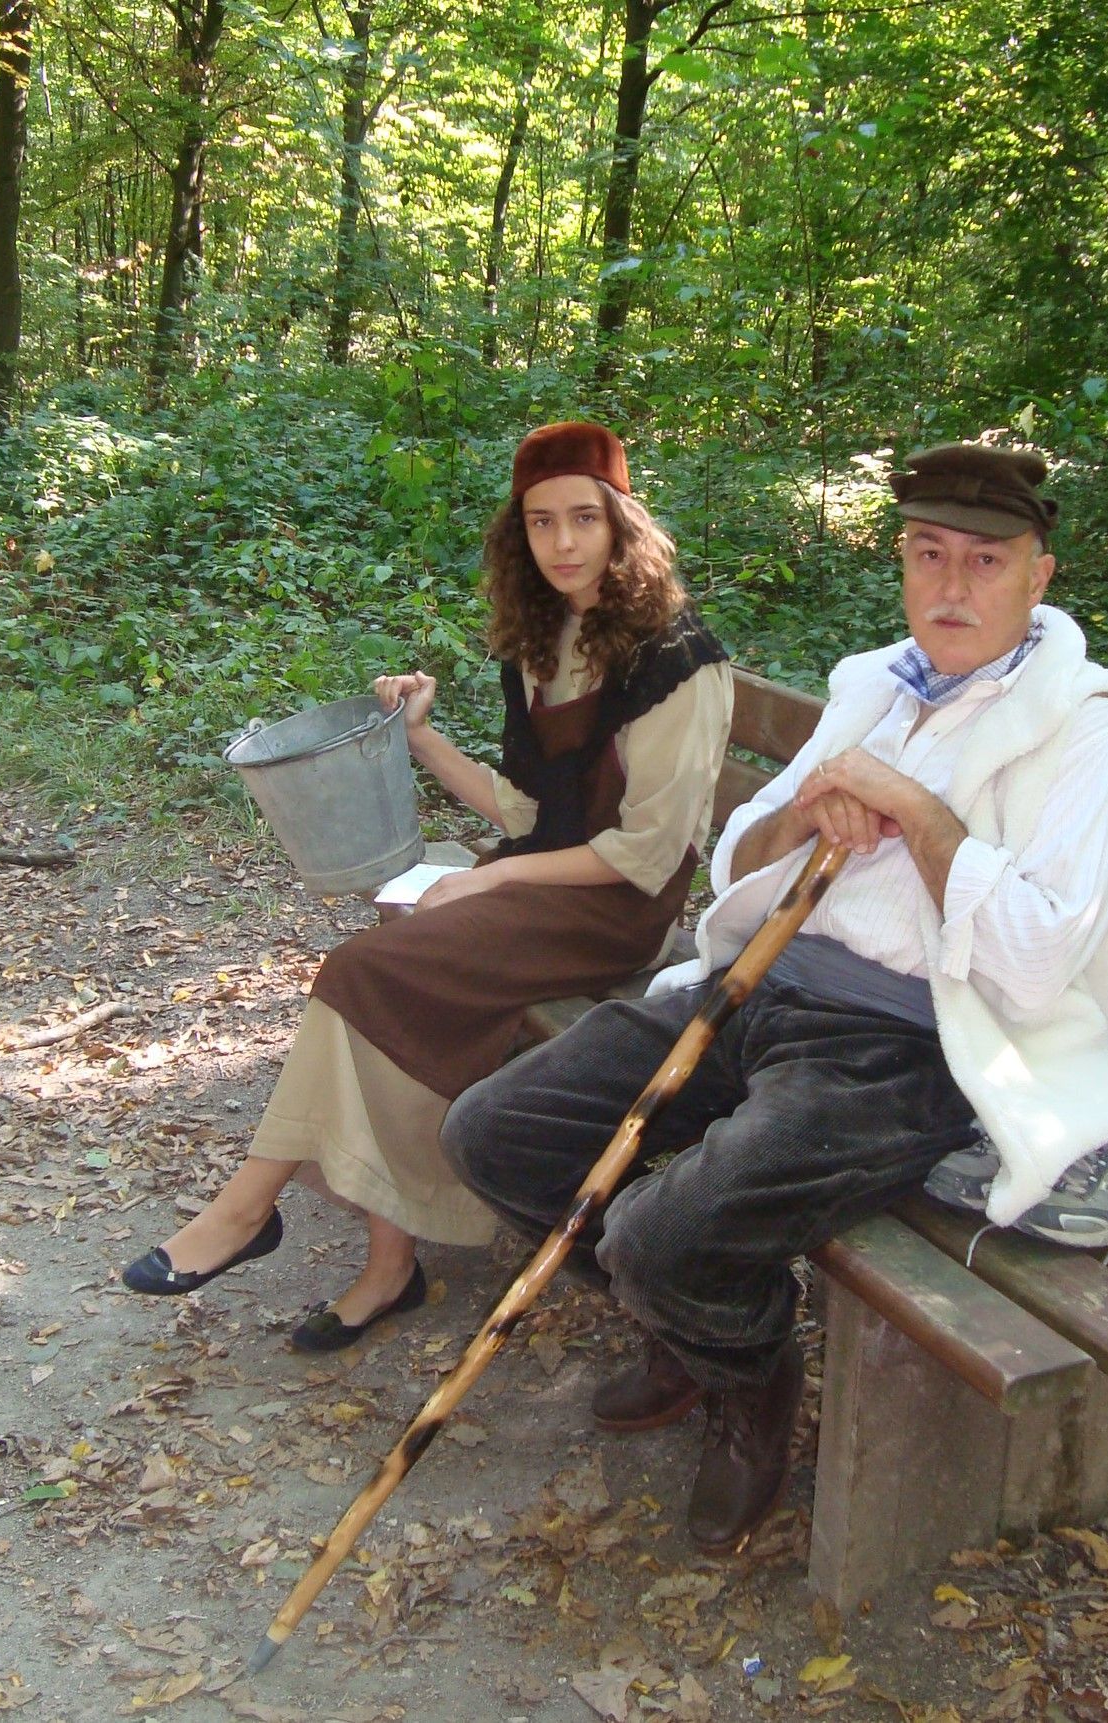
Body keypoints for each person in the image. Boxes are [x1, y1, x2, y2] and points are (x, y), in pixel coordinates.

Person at [441, 441, 1108, 1554]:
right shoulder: (872, 684)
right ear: (899, 563)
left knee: (656, 1234)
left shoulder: (1089, 733)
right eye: (927, 554)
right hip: (759, 983)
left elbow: (1032, 967)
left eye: (984, 561)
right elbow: (738, 860)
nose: (949, 585)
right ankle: (694, 1331)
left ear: (1038, 576)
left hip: (913, 1044)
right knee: (495, 1134)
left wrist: (922, 818)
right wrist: (805, 811)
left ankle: (746, 1376)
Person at [121, 421, 734, 1351]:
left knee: (369, 969)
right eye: (539, 523)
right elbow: (525, 811)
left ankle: (249, 1210)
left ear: (622, 524)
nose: (562, 544)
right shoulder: (546, 635)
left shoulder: (680, 659)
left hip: (618, 913)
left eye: (583, 519)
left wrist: (484, 886)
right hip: (545, 883)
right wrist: (417, 735)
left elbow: (648, 856)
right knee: (390, 972)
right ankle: (386, 1265)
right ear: (517, 534)